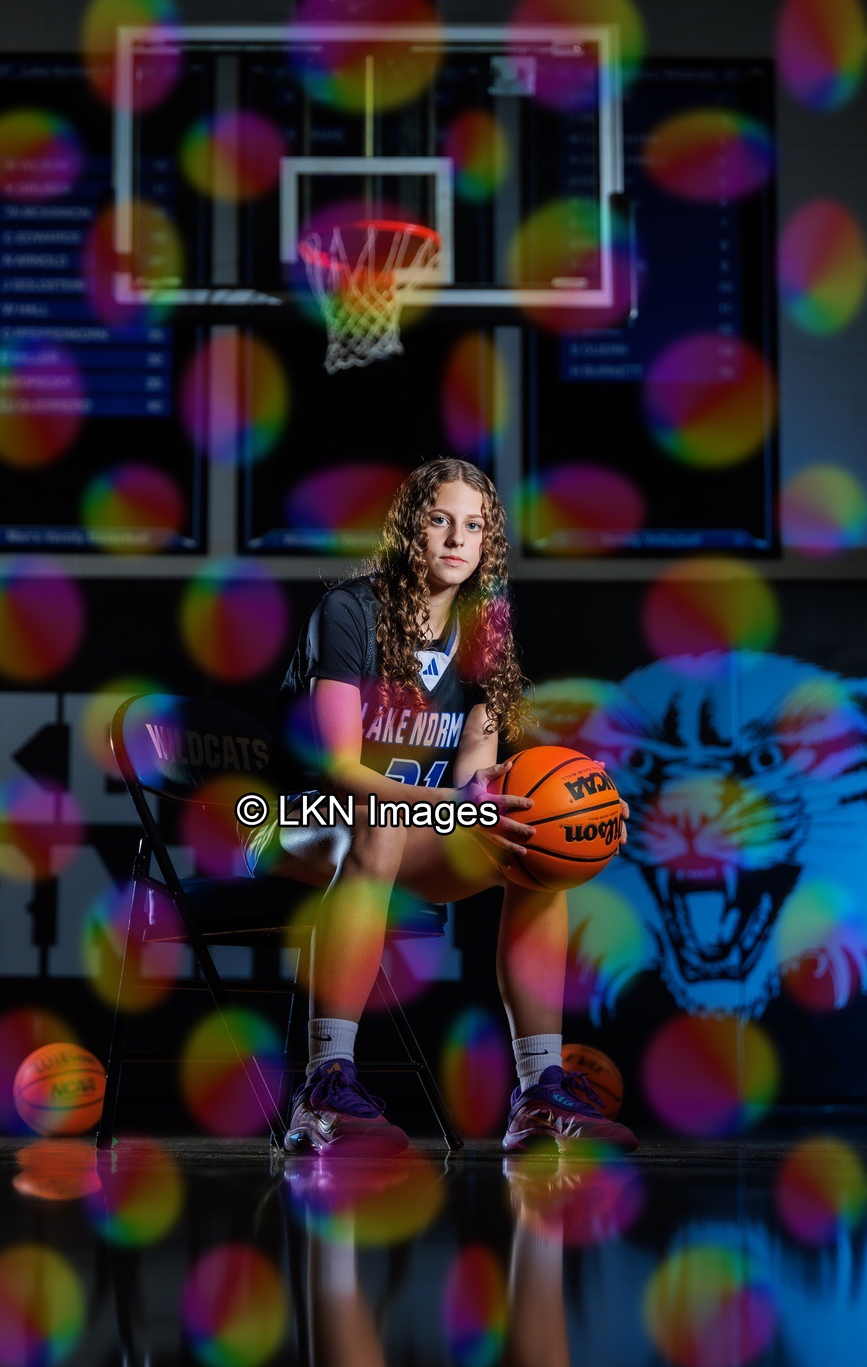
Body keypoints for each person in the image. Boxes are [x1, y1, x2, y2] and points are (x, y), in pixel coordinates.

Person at [246, 457, 636, 1155]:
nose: (458, 538)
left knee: (536, 845)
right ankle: (324, 1086)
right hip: (297, 823)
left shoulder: (485, 632)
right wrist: (457, 805)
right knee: (381, 823)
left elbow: (474, 782)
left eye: (475, 526)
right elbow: (340, 772)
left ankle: (539, 1093)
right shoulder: (351, 611)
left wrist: (581, 812)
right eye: (440, 519)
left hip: (404, 831)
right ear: (409, 529)